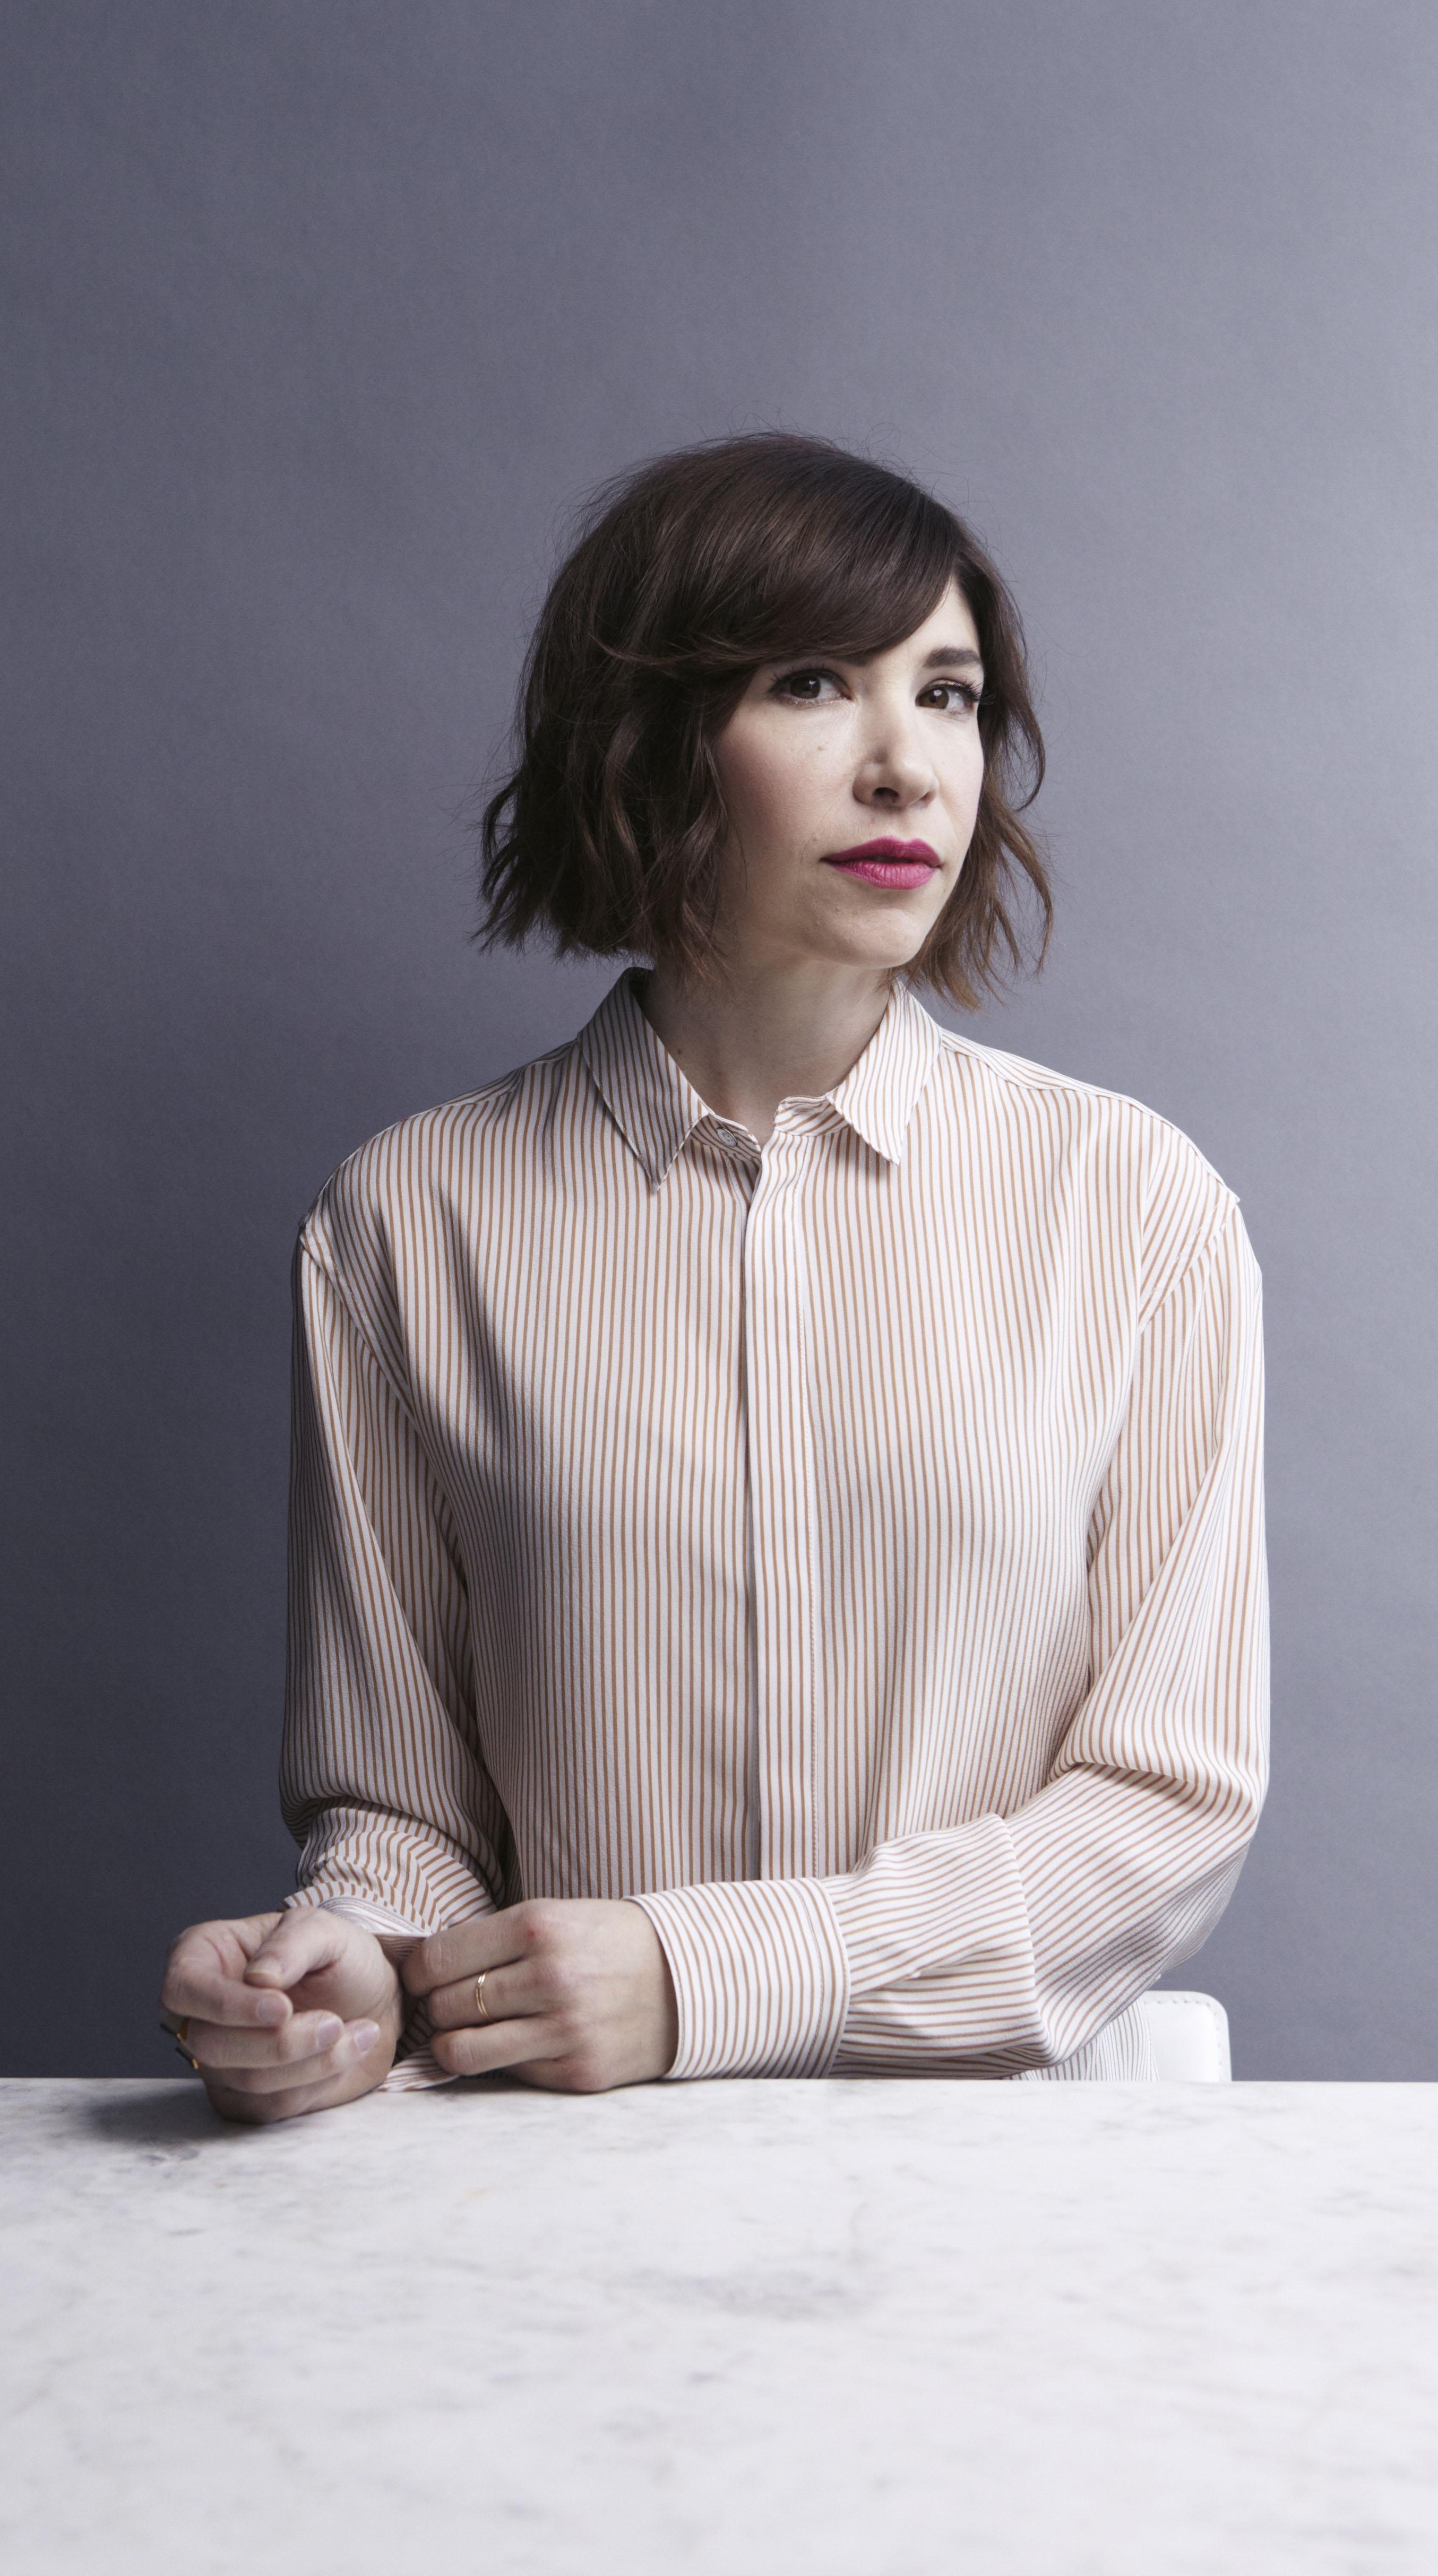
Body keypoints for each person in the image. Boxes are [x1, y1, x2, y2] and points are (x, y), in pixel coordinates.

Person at [159, 434, 1268, 2119]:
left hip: (1005, 2203)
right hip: (552, 2203)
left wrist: (712, 1976)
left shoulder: (1134, 1210)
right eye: (817, 682)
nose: (909, 768)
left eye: (951, 694)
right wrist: (346, 1961)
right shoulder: (404, 1225)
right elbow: (404, 1811)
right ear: (654, 740)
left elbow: (1165, 1808)